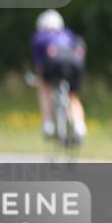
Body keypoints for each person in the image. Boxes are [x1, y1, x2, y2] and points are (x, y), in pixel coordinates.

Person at [31, 9, 88, 143]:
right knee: (72, 96)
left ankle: (48, 124)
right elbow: (80, 49)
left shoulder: (40, 37)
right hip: (75, 63)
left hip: (54, 61)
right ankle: (79, 126)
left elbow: (40, 64)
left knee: (44, 87)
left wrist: (41, 79)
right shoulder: (68, 34)